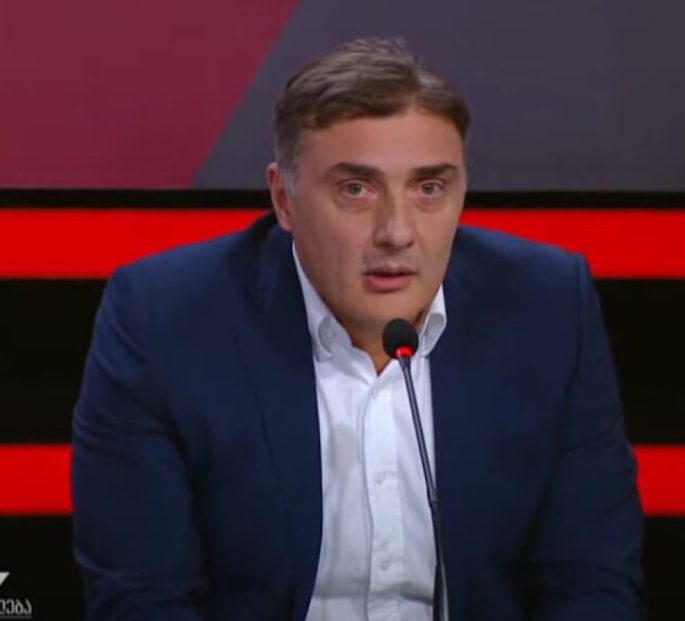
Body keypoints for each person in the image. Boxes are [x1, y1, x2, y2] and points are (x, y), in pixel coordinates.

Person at [72, 38, 644, 620]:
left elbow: (592, 584)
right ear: (284, 199)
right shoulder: (166, 320)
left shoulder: (546, 309)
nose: (396, 232)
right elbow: (142, 599)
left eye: (429, 188)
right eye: (356, 190)